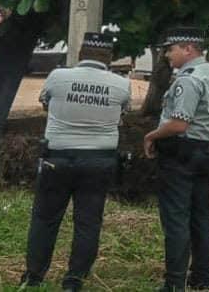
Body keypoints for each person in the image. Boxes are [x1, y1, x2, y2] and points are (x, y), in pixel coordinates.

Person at [20, 33, 131, 291]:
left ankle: (33, 276)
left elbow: (45, 104)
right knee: (88, 221)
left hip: (56, 159)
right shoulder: (121, 84)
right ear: (109, 58)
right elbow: (122, 113)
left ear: (81, 54)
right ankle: (74, 280)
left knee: (45, 219)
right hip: (99, 161)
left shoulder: (58, 77)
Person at [143, 27, 209, 291]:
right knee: (200, 217)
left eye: (170, 49)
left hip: (180, 153)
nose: (167, 55)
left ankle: (174, 282)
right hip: (204, 149)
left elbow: (179, 124)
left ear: (187, 49)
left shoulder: (188, 80)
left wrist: (151, 135)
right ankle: (202, 278)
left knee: (176, 219)